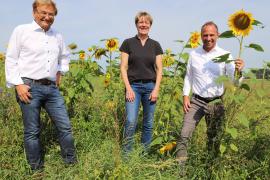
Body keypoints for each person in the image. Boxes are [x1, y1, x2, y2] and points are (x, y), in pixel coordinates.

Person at [5, 0, 77, 171]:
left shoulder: (57, 36)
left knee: (65, 127)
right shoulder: (21, 31)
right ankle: (37, 171)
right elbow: (11, 59)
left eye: (51, 14)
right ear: (34, 12)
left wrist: (61, 71)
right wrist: (18, 84)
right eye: (43, 12)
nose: (47, 17)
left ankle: (71, 165)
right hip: (28, 87)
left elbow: (65, 56)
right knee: (32, 131)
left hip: (52, 89)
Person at [175, 21, 244, 165]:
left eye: (211, 35)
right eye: (205, 35)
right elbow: (189, 76)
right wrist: (185, 95)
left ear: (218, 35)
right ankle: (179, 170)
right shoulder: (193, 54)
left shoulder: (225, 55)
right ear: (201, 36)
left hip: (216, 102)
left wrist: (239, 71)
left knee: (214, 138)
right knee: (184, 134)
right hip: (196, 101)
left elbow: (234, 82)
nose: (208, 38)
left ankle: (210, 168)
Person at [120, 11, 163, 153]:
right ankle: (127, 155)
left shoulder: (155, 45)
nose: (143, 25)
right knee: (131, 121)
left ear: (150, 25)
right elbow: (123, 67)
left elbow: (159, 69)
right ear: (136, 24)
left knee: (148, 123)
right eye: (141, 22)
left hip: (151, 87)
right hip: (133, 87)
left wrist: (156, 89)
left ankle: (145, 154)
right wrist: (128, 89)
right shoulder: (128, 43)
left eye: (146, 22)